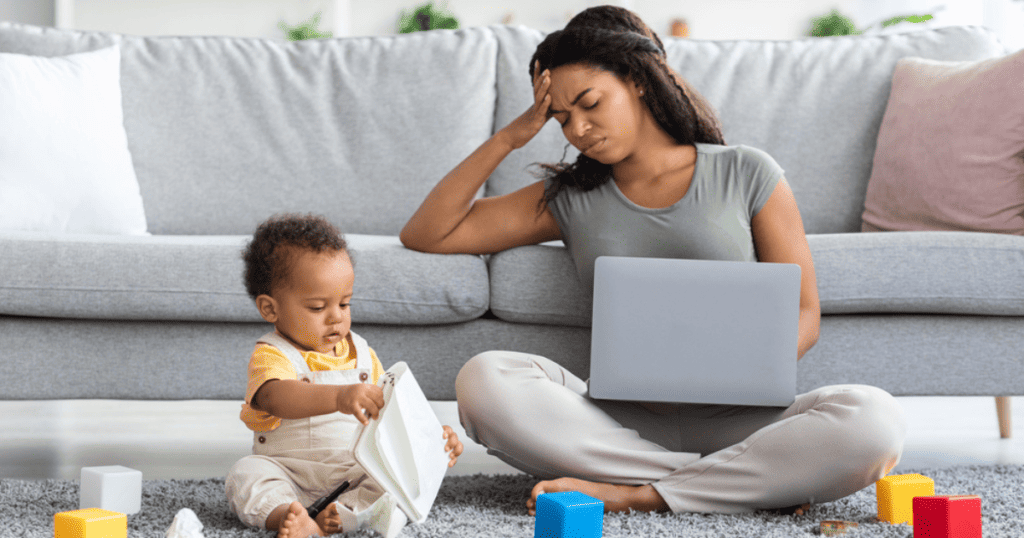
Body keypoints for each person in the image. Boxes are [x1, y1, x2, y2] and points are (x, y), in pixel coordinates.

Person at [400, 5, 905, 516]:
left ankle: (640, 493)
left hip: (745, 419)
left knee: (874, 419)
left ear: (638, 81)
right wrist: (511, 137)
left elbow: (804, 313)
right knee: (483, 380)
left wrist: (742, 370)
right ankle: (740, 481)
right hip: (620, 425)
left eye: (590, 103)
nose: (577, 128)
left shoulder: (747, 172)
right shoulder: (570, 198)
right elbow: (428, 232)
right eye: (561, 117)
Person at [226, 213, 464, 538]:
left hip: (350, 473)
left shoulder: (364, 354)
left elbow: (393, 414)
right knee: (245, 474)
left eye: (345, 303)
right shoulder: (272, 354)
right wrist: (339, 396)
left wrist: (433, 437)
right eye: (317, 307)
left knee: (392, 481)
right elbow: (276, 397)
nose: (336, 317)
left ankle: (345, 514)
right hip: (288, 472)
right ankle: (288, 515)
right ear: (270, 309)